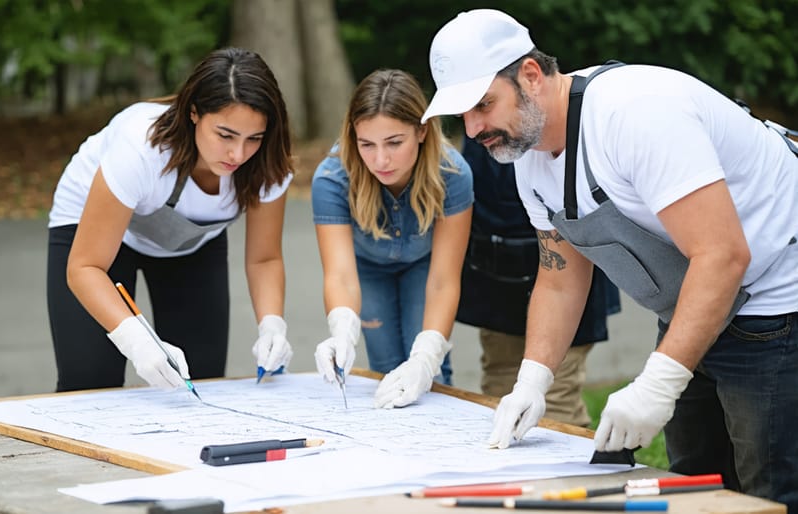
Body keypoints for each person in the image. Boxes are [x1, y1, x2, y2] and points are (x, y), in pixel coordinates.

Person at [422, 9, 798, 510]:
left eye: (484, 105)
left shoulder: (634, 116)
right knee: (693, 485)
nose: (473, 129)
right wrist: (533, 379)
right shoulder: (528, 156)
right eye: (462, 115)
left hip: (777, 294)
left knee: (769, 490)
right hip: (700, 296)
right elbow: (559, 280)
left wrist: (659, 381)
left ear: (530, 75)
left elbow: (723, 255)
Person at [47, 47, 295, 393]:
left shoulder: (268, 164)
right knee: (90, 379)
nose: (238, 154)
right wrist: (136, 339)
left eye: (254, 138)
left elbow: (264, 258)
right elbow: (84, 267)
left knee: (200, 380)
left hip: (188, 241)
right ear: (194, 112)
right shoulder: (141, 147)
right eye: (225, 135)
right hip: (94, 231)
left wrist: (272, 325)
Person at [311, 69, 473, 408]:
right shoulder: (331, 176)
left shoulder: (453, 172)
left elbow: (444, 280)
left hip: (425, 268)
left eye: (394, 143)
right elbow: (339, 274)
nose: (380, 160)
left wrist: (427, 357)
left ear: (422, 131)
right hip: (367, 269)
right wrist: (341, 329)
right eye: (366, 144)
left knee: (431, 372)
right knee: (385, 371)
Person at [456, 135, 620, 427]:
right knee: (499, 395)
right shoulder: (480, 130)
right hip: (498, 274)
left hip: (570, 274)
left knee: (555, 404)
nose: (474, 124)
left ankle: (570, 469)